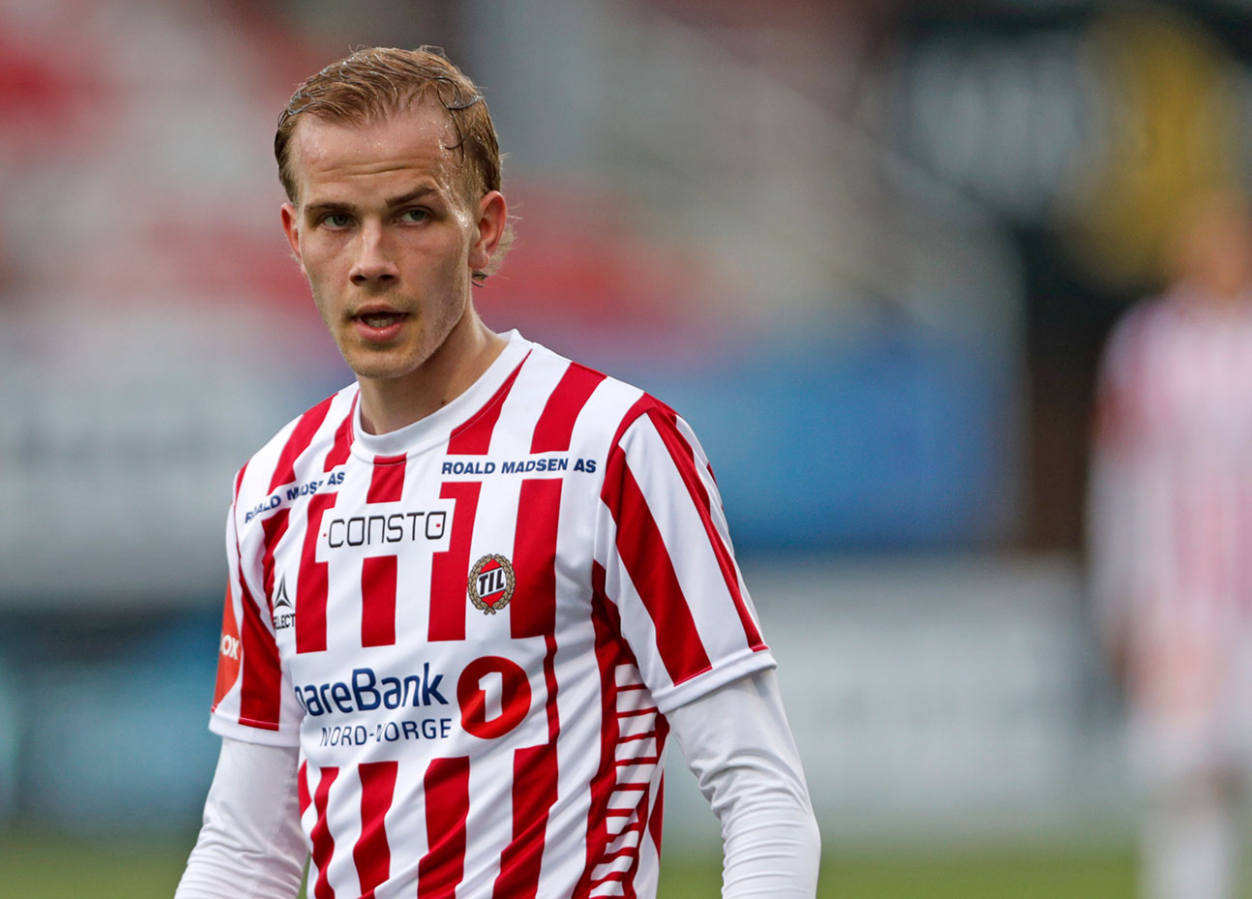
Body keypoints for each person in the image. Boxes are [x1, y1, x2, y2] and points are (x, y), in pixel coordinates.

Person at [176, 47, 820, 899]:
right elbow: (245, 850)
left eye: (412, 215)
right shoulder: (275, 489)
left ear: (483, 229)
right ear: (295, 238)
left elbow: (761, 793)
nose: (371, 258)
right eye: (336, 219)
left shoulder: (610, 445)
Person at [1089, 190, 1252, 899]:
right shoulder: (1146, 346)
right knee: (1185, 775)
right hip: (1180, 602)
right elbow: (1119, 480)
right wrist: (1117, 594)